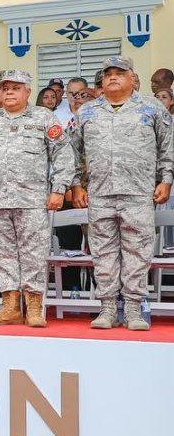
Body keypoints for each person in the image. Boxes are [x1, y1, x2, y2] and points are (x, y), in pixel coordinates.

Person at [0, 70, 76, 328]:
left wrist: (59, 188)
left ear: (28, 91)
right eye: (5, 89)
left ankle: (35, 308)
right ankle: (10, 307)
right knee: (0, 254)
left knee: (34, 254)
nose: (9, 93)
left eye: (15, 88)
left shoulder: (43, 118)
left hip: (33, 200)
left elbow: (63, 154)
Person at [72, 56, 174, 330]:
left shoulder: (151, 108)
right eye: (108, 74)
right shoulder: (87, 112)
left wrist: (166, 179)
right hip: (100, 193)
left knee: (137, 252)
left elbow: (167, 147)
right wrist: (76, 184)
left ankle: (133, 309)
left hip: (139, 192)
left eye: (120, 73)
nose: (113, 78)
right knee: (102, 252)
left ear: (132, 78)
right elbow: (72, 151)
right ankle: (106, 308)